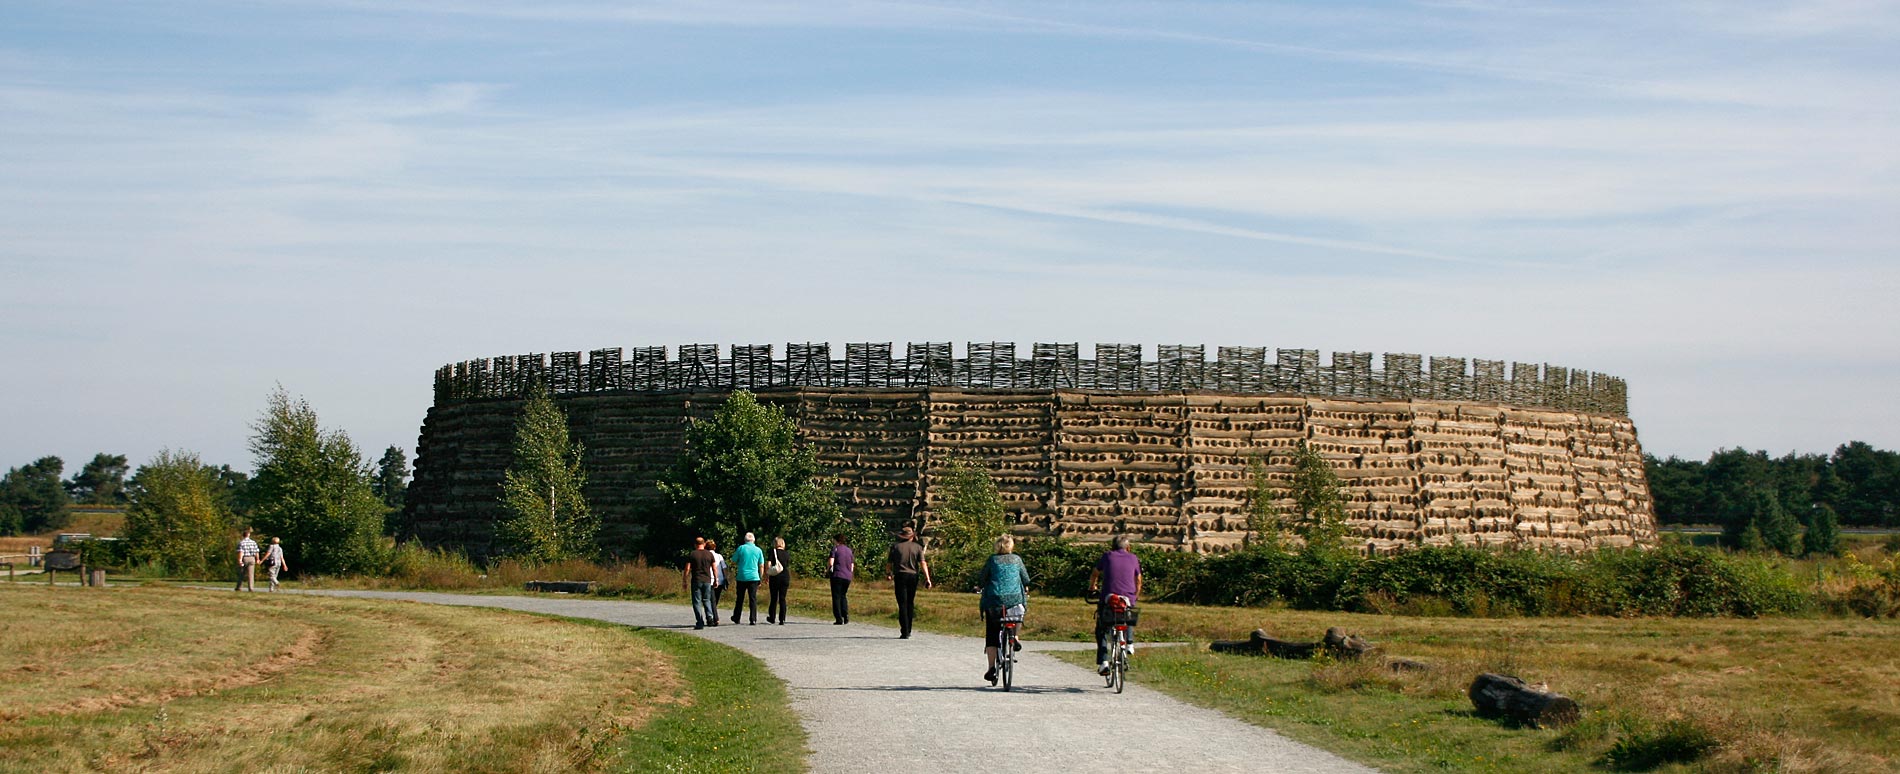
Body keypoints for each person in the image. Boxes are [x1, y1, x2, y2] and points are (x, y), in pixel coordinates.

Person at [975, 534, 1029, 685]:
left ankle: (991, 667)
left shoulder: (992, 560)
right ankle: (1015, 637)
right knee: (1017, 613)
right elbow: (1026, 578)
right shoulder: (1017, 559)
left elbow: (982, 578)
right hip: (1014, 600)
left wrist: (979, 586)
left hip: (994, 601)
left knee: (992, 633)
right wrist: (1025, 586)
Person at [1088, 534, 1143, 675]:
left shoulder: (1107, 556)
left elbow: (1095, 573)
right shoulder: (1134, 558)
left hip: (1109, 597)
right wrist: (1134, 597)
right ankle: (1129, 643)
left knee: (1101, 629)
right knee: (1127, 613)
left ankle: (1104, 662)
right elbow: (1138, 580)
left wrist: (1092, 587)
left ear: (1112, 547)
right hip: (1128, 597)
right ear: (1128, 547)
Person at [886, 525, 932, 638]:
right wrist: (927, 578)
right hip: (913, 576)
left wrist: (889, 574)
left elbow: (889, 564)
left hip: (900, 575)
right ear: (912, 536)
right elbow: (923, 563)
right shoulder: (918, 547)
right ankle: (909, 628)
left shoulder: (895, 547)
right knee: (910, 602)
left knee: (902, 603)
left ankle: (904, 630)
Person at [730, 532, 766, 625]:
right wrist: (760, 577)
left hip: (742, 576)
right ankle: (753, 618)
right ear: (754, 540)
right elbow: (761, 565)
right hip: (754, 577)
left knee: (740, 598)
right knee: (753, 598)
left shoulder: (741, 548)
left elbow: (733, 561)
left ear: (745, 540)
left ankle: (736, 617)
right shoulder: (758, 550)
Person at [682, 537, 717, 629]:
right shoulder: (709, 554)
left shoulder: (692, 554)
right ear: (704, 544)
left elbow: (687, 568)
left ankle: (700, 621)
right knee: (707, 600)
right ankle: (710, 617)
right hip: (707, 580)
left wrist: (684, 580)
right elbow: (714, 568)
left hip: (696, 580)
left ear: (695, 544)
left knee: (697, 601)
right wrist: (716, 579)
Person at [826, 533, 854, 625]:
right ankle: (845, 615)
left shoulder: (835, 549)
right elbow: (852, 565)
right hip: (847, 576)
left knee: (836, 597)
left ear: (836, 540)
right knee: (843, 595)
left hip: (837, 575)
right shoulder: (849, 550)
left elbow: (831, 562)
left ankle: (838, 618)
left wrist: (827, 570)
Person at [766, 536, 791, 625]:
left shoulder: (773, 552)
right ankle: (782, 618)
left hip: (775, 577)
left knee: (774, 598)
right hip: (785, 577)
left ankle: (772, 617)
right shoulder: (787, 554)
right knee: (782, 598)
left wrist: (767, 575)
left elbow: (769, 564)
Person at [707, 539, 728, 615]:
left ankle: (712, 614)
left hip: (710, 579)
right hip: (720, 580)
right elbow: (724, 568)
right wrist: (725, 578)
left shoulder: (706, 555)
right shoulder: (719, 556)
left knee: (710, 599)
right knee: (716, 598)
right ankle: (713, 612)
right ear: (714, 547)